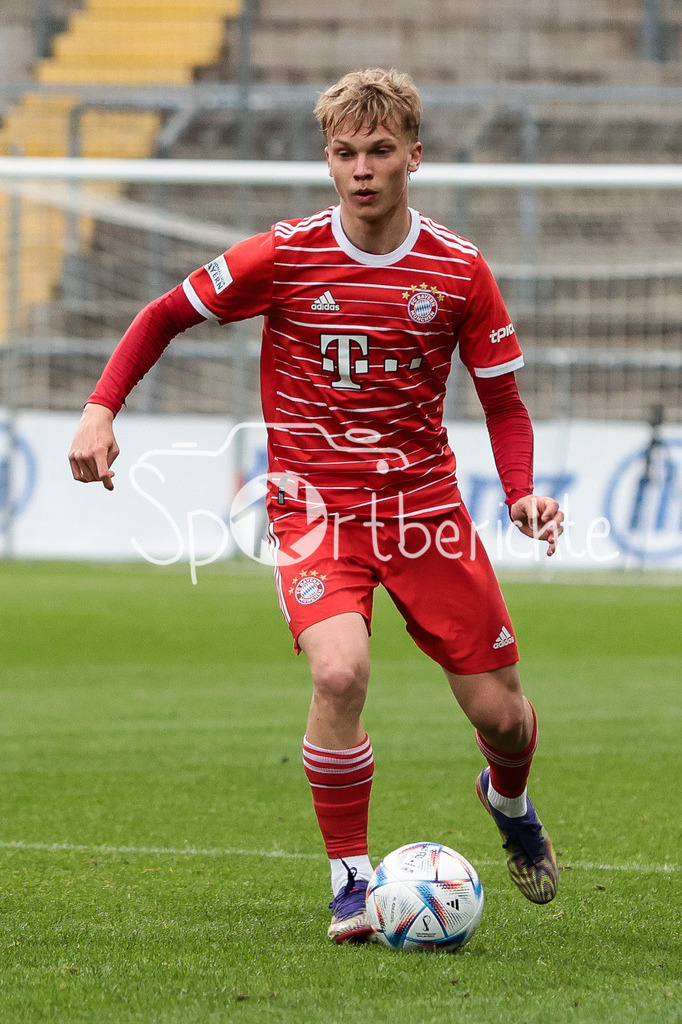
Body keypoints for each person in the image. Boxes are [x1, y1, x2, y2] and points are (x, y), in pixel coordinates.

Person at [69, 68, 564, 944]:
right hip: (313, 509)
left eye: (380, 151)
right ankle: (350, 882)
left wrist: (520, 491)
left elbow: (503, 400)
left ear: (415, 155)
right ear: (327, 161)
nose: (363, 168)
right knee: (338, 672)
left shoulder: (457, 271)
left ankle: (509, 799)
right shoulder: (285, 253)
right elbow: (161, 315)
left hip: (424, 513)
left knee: (505, 718)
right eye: (345, 153)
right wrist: (101, 407)